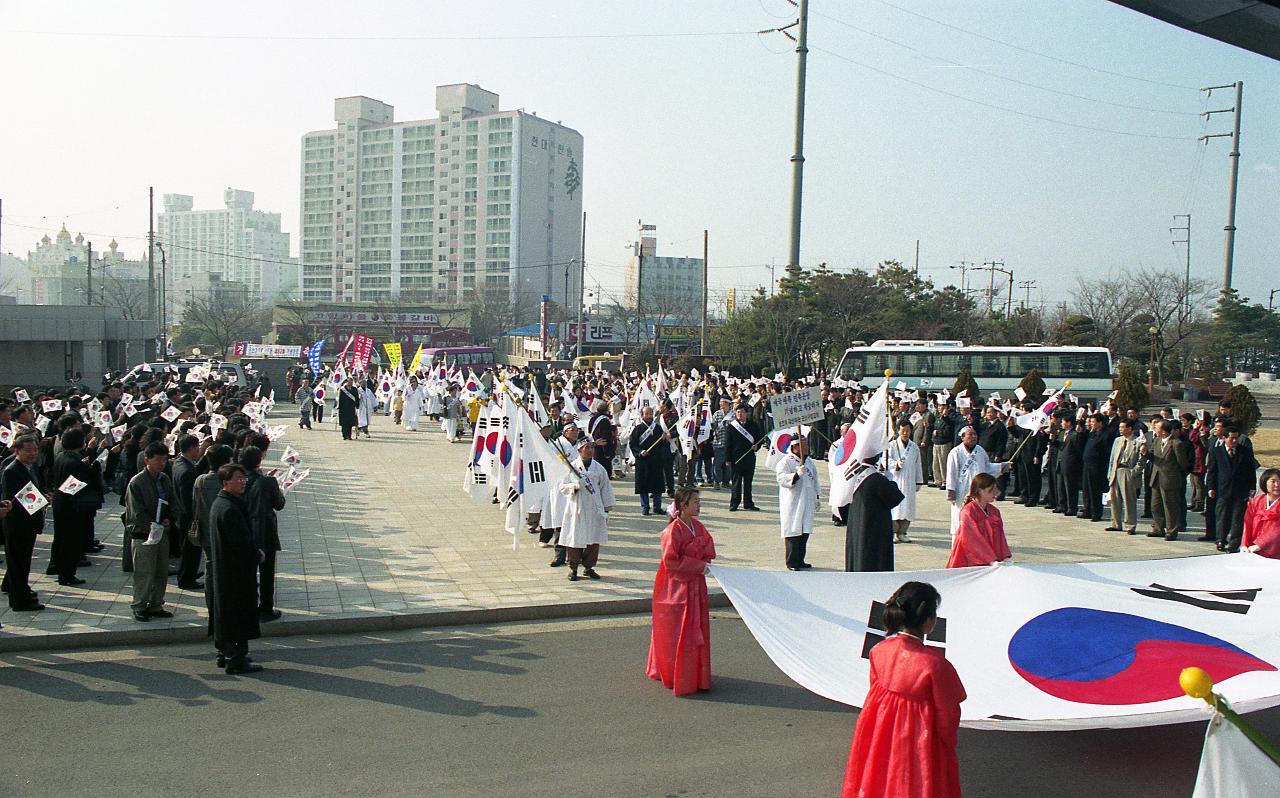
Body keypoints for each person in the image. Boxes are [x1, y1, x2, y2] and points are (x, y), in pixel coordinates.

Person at [841, 581, 965, 798]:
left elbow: (874, 693)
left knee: (880, 776)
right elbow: (948, 713)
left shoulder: (879, 650)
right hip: (920, 739)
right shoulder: (935, 664)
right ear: (929, 621)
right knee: (917, 785)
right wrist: (946, 743)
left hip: (881, 731)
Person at [646, 486, 717, 696]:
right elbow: (671, 561)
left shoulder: (698, 526)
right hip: (676, 587)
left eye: (698, 501)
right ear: (683, 505)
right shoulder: (672, 531)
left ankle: (695, 674)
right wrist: (697, 565)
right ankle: (674, 671)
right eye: (695, 501)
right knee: (679, 631)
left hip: (695, 585)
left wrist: (703, 561)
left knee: (696, 629)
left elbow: (709, 547)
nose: (699, 505)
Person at [207, 464, 264, 675]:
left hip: (227, 570)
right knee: (237, 614)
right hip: (236, 572)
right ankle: (236, 658)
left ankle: (226, 653)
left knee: (227, 613)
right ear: (225, 483)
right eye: (237, 479)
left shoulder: (222, 503)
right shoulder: (229, 509)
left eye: (243, 479)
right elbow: (241, 543)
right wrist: (257, 554)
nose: (242, 483)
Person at [125, 441, 174, 622]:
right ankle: (139, 605)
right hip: (143, 533)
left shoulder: (164, 479)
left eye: (165, 460)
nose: (162, 463)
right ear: (147, 460)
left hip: (161, 531)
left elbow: (171, 501)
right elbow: (136, 511)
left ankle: (156, 604)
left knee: (161, 571)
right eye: (158, 460)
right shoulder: (137, 482)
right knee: (144, 572)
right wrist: (153, 523)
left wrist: (169, 518)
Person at [557, 439, 615, 582]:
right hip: (577, 507)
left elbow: (605, 489)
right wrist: (575, 486)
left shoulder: (599, 469)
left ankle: (589, 567)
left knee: (594, 539)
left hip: (594, 508)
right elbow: (562, 487)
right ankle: (573, 567)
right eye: (586, 448)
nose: (589, 450)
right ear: (579, 450)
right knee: (575, 538)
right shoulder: (571, 468)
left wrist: (607, 508)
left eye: (591, 448)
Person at [50, 428, 102, 586]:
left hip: (60, 503)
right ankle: (67, 574)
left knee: (60, 538)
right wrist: (93, 468)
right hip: (72, 506)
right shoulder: (74, 463)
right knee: (70, 542)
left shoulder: (62, 456)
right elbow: (81, 484)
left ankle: (57, 566)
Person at [3, 433, 48, 611]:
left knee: (24, 562)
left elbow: (33, 491)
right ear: (17, 450)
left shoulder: (30, 467)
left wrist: (43, 497)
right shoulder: (12, 471)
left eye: (35, 450)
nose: (32, 454)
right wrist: (39, 502)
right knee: (18, 564)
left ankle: (22, 590)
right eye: (28, 451)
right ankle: (19, 600)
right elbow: (14, 500)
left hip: (29, 524)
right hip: (18, 525)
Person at [242, 445, 286, 621]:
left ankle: (248, 605)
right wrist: (279, 489)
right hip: (265, 530)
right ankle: (266, 607)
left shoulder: (238, 478)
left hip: (245, 529)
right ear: (259, 460)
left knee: (248, 571)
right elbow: (279, 504)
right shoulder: (268, 482)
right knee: (267, 572)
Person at [843, 454, 905, 573]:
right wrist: (891, 481)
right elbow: (895, 498)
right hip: (874, 529)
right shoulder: (876, 478)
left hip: (857, 523)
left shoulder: (855, 474)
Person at [1204, 424, 1259, 552]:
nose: (1234, 441)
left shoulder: (1245, 452)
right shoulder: (1216, 451)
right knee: (1222, 517)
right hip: (1223, 490)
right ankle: (1221, 540)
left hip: (1241, 490)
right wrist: (1211, 487)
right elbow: (1212, 471)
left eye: (1236, 438)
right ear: (1224, 438)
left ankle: (1234, 544)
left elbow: (1250, 471)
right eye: (1232, 438)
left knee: (1237, 519)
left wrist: (1252, 487)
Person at [944, 426, 1007, 535]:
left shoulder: (980, 451)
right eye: (970, 434)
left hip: (979, 490)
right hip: (962, 491)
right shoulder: (956, 452)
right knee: (961, 518)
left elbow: (986, 467)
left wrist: (1001, 467)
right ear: (963, 437)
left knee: (978, 518)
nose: (973, 437)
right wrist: (951, 491)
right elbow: (951, 472)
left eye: (975, 434)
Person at [947, 472, 1012, 568]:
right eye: (991, 490)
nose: (995, 493)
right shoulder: (968, 512)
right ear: (980, 491)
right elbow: (972, 539)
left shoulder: (994, 511)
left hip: (992, 558)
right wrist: (989, 559)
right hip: (969, 557)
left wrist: (1004, 556)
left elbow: (1000, 537)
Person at [776, 437, 820, 571]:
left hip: (807, 500)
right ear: (795, 447)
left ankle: (801, 559)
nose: (806, 447)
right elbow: (782, 479)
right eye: (803, 445)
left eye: (806, 444)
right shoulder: (785, 462)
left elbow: (815, 480)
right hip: (793, 502)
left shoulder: (809, 462)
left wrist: (817, 496)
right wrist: (796, 475)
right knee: (793, 531)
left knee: (805, 530)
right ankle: (792, 562)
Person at [1144, 418, 1191, 541]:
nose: (1155, 430)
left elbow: (1183, 463)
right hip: (1156, 477)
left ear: (1164, 431)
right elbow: (1153, 457)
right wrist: (1145, 452)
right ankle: (1158, 528)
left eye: (1157, 428)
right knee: (1155, 505)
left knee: (1170, 506)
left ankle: (1172, 530)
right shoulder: (1157, 440)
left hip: (1170, 480)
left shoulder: (1176, 443)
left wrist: (1176, 476)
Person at [172, 434, 205, 591]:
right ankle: (186, 579)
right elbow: (187, 500)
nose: (198, 450)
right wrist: (195, 518)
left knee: (188, 550)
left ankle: (188, 574)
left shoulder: (179, 463)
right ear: (191, 448)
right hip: (187, 518)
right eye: (197, 447)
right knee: (190, 551)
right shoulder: (186, 471)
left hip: (180, 517)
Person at [883, 421, 923, 543]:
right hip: (896, 480)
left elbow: (918, 465)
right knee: (896, 508)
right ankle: (894, 532)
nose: (905, 433)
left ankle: (902, 532)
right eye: (903, 430)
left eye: (908, 431)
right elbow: (884, 460)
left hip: (909, 481)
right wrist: (896, 464)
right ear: (898, 431)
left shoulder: (914, 447)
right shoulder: (892, 446)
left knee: (908, 507)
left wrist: (918, 481)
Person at [1105, 420, 1142, 534]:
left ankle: (1130, 525)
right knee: (1115, 499)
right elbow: (1112, 458)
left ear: (1130, 429)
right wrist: (1110, 473)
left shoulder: (1137, 441)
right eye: (1120, 427)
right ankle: (1116, 523)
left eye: (1123, 427)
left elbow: (1141, 460)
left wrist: (1134, 472)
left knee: (1129, 500)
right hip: (1116, 470)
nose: (1120, 429)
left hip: (1128, 471)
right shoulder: (1118, 440)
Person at [630, 406, 667, 516]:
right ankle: (645, 507)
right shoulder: (638, 429)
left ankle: (657, 507)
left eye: (651, 414)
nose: (649, 416)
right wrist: (640, 452)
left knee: (657, 485)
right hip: (643, 461)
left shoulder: (658, 429)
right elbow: (633, 444)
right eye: (647, 414)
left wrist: (664, 439)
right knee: (643, 486)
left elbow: (663, 445)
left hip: (656, 461)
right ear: (642, 415)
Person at [724, 405, 762, 512]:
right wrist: (727, 459)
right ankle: (734, 503)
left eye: (742, 412)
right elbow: (728, 444)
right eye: (737, 412)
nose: (739, 414)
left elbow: (760, 439)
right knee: (736, 482)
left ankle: (748, 503)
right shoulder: (732, 426)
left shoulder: (753, 425)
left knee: (748, 482)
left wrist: (757, 446)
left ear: (747, 413)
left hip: (749, 458)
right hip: (736, 458)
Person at [1242, 468, 1280, 559]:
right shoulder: (1256, 501)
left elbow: (1277, 530)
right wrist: (1244, 544)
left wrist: (1260, 544)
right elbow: (1247, 524)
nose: (1277, 485)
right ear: (1265, 482)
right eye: (1273, 481)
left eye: (1279, 481)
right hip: (1254, 550)